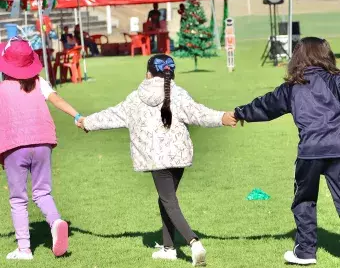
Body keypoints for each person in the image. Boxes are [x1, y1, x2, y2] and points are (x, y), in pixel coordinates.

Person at [77, 54, 236, 266]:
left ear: (147, 74)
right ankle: (169, 249)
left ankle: (194, 242)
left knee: (169, 201)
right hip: (178, 158)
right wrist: (222, 118)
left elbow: (111, 115)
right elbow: (199, 113)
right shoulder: (179, 94)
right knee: (166, 199)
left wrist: (87, 122)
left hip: (156, 160)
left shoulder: (135, 98)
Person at [233, 37, 340, 265]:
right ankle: (305, 253)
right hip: (337, 150)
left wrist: (240, 113)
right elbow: (267, 106)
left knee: (304, 201)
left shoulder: (292, 88)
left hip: (309, 152)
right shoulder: (336, 80)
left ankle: (305, 253)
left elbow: (265, 106)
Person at [0, 37, 83, 260]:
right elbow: (57, 100)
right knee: (42, 192)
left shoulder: (2, 88)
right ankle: (56, 221)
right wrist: (77, 115)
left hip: (14, 146)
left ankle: (24, 249)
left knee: (18, 198)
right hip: (43, 143)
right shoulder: (40, 83)